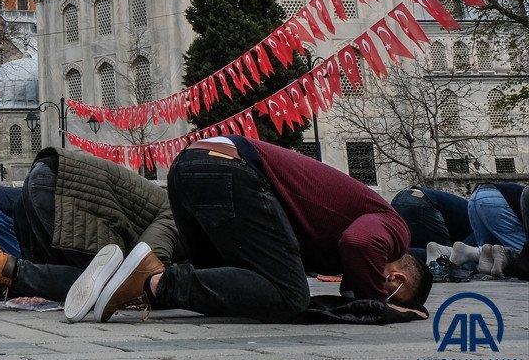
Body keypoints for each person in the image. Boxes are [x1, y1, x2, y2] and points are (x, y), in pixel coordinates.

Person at [90, 136, 431, 324]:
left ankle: (105, 285)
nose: (376, 290)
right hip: (230, 169)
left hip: (189, 166)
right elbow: (360, 243)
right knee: (291, 298)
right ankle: (151, 281)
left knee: (224, 290)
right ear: (397, 278)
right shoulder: (395, 228)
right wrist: (377, 304)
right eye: (389, 292)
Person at [0, 148, 182, 319]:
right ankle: (2, 268)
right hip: (64, 190)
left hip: (49, 176)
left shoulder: (173, 207)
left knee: (92, 280)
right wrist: (152, 286)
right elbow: (145, 264)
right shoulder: (177, 215)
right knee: (104, 284)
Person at [390, 186, 474, 258]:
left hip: (401, 198)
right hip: (422, 202)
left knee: (410, 252)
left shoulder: (470, 210)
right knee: (443, 256)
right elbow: (462, 251)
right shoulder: (478, 226)